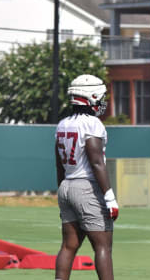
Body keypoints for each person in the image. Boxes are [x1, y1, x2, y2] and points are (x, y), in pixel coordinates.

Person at [55, 74, 118, 280]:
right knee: (103, 246)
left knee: (68, 245)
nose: (102, 102)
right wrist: (109, 196)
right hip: (86, 186)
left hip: (67, 185)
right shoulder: (92, 124)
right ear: (90, 97)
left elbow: (58, 164)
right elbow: (96, 161)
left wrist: (61, 194)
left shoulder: (62, 124)